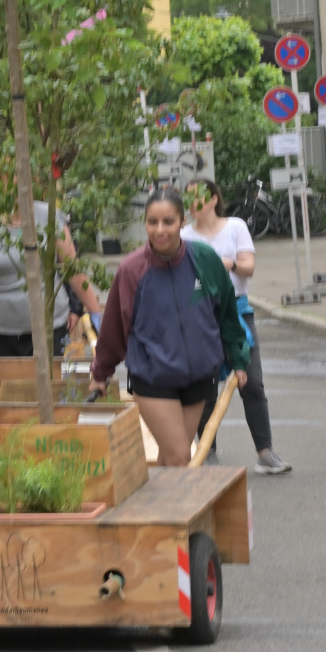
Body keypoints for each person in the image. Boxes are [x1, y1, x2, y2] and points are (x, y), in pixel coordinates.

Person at [89, 188, 249, 466]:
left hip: (199, 377)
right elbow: (114, 326)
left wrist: (238, 358)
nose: (160, 230)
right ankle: (176, 509)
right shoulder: (131, 270)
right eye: (152, 222)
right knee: (178, 456)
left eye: (168, 221)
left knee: (170, 458)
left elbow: (226, 314)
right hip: (153, 379)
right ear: (146, 223)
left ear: (182, 221)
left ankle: (156, 509)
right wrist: (101, 373)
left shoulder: (205, 260)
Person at [183, 181, 290, 475]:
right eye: (188, 196)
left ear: (214, 199)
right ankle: (207, 452)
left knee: (252, 381)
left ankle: (265, 452)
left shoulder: (235, 227)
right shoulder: (184, 236)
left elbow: (248, 266)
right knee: (205, 388)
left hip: (239, 312)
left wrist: (223, 263)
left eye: (199, 196)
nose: (193, 201)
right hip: (202, 317)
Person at [0, 182, 104, 361]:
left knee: (50, 385)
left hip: (48, 328)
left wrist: (95, 311)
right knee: (5, 388)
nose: (17, 191)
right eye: (10, 182)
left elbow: (73, 271)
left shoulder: (49, 218)